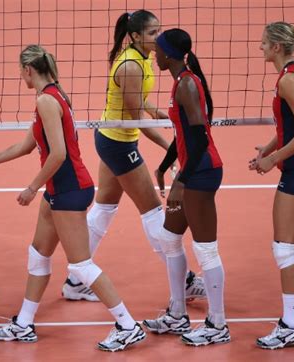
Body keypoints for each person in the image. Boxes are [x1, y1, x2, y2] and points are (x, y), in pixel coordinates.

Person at [0, 44, 145, 352]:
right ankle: (24, 324)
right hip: (59, 189)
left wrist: (31, 188)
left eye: (21, 71)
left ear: (29, 70)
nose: (21, 76)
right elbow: (28, 145)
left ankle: (127, 325)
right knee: (38, 255)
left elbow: (58, 154)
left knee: (81, 265)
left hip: (69, 189)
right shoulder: (54, 95)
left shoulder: (46, 100)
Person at [62, 10, 205, 303]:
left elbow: (138, 103)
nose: (159, 37)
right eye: (153, 33)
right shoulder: (130, 66)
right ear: (136, 36)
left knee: (104, 208)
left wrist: (157, 112)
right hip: (119, 144)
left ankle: (75, 280)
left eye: (159, 31)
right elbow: (134, 118)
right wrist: (171, 147)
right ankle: (185, 281)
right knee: (153, 212)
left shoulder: (143, 58)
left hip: (113, 138)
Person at [142, 28, 230, 347]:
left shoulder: (188, 85)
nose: (155, 54)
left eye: (158, 50)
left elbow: (200, 139)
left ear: (170, 54)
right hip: (190, 169)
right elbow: (183, 134)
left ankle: (218, 324)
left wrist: (181, 179)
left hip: (202, 173)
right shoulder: (180, 82)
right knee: (169, 238)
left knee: (205, 249)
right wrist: (166, 166)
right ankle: (178, 314)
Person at [250, 21, 294, 350]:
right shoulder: (293, 75)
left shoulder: (289, 81)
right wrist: (269, 149)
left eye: (263, 43)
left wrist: (275, 160)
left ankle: (290, 324)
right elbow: (292, 124)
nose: (260, 48)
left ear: (276, 47)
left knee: (284, 247)